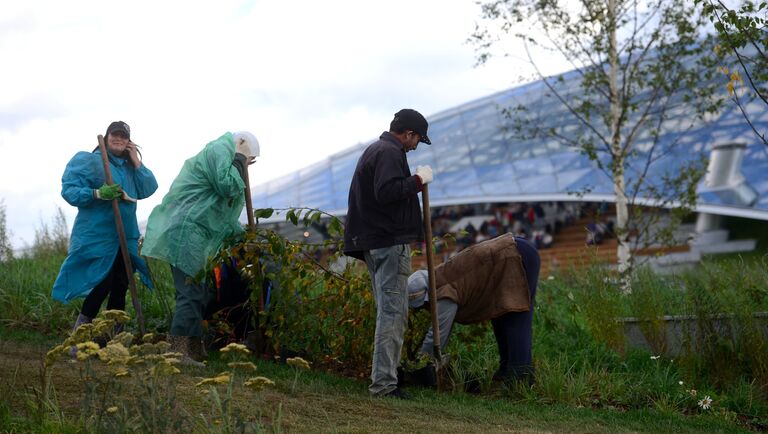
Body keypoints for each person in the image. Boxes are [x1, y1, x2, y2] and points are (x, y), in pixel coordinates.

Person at [141, 131, 260, 366]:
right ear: (242, 150)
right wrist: (238, 160)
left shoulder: (222, 157)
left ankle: (192, 348)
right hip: (187, 232)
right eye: (249, 162)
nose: (247, 167)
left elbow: (220, 214)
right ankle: (177, 352)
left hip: (193, 233)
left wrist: (243, 235)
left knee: (199, 291)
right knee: (191, 291)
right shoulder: (221, 153)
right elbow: (227, 187)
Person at [344, 108, 434, 399]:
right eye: (417, 139)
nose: (416, 145)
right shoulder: (389, 152)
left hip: (373, 240)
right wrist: (418, 181)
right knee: (393, 314)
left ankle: (386, 377)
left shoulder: (376, 150)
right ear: (408, 134)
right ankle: (384, 384)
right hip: (388, 241)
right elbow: (386, 191)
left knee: (389, 311)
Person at [52, 121, 158, 346]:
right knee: (102, 282)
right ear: (107, 137)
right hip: (98, 234)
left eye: (123, 136)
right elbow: (69, 191)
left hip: (125, 234)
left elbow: (148, 188)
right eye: (115, 135)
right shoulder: (90, 161)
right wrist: (98, 193)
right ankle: (79, 337)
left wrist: (136, 160)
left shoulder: (130, 167)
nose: (119, 139)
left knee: (121, 284)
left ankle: (112, 339)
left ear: (128, 141)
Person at [407, 233, 540, 385]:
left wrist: (421, 363)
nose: (424, 308)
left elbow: (438, 334)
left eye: (422, 304)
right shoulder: (438, 276)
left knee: (514, 316)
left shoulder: (443, 293)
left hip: (514, 256)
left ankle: (520, 376)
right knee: (500, 316)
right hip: (513, 250)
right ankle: (507, 371)